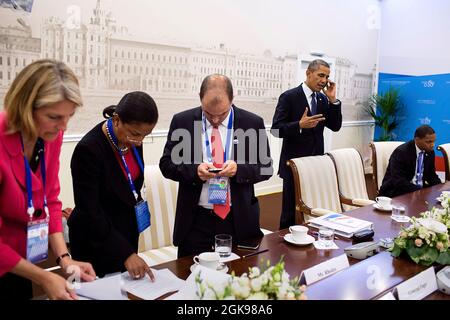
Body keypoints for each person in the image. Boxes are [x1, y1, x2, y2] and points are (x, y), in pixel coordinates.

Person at [0, 59, 96, 300]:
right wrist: (43, 277)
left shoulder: (51, 134)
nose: (63, 126)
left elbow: (50, 201)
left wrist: (65, 260)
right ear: (25, 107)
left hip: (17, 263)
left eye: (69, 116)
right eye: (54, 116)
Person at [160, 74, 273, 258]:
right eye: (208, 113)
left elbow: (266, 167)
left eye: (222, 114)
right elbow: (166, 165)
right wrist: (194, 170)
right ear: (200, 98)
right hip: (195, 222)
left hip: (238, 221)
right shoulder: (183, 122)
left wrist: (239, 169)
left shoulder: (251, 123)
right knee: (191, 279)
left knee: (238, 280)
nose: (214, 120)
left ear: (232, 99)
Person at [68, 91, 158, 280]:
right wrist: (125, 253)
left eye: (145, 135)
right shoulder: (89, 150)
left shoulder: (133, 139)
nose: (140, 141)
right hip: (95, 241)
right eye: (135, 134)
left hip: (124, 235)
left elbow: (129, 186)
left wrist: (127, 249)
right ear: (116, 120)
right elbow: (90, 212)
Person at [271, 59, 342, 229]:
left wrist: (333, 101)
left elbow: (335, 126)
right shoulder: (289, 97)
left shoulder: (323, 99)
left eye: (327, 77)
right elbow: (276, 130)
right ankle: (283, 246)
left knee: (312, 209)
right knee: (290, 211)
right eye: (321, 75)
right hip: (293, 165)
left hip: (315, 164)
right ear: (308, 73)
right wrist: (299, 125)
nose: (324, 81)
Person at [378, 125, 442, 198]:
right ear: (417, 139)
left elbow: (431, 176)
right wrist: (421, 191)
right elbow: (398, 181)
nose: (432, 145)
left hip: (418, 193)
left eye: (434, 141)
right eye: (428, 142)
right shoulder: (401, 152)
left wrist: (440, 188)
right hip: (397, 192)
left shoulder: (430, 152)